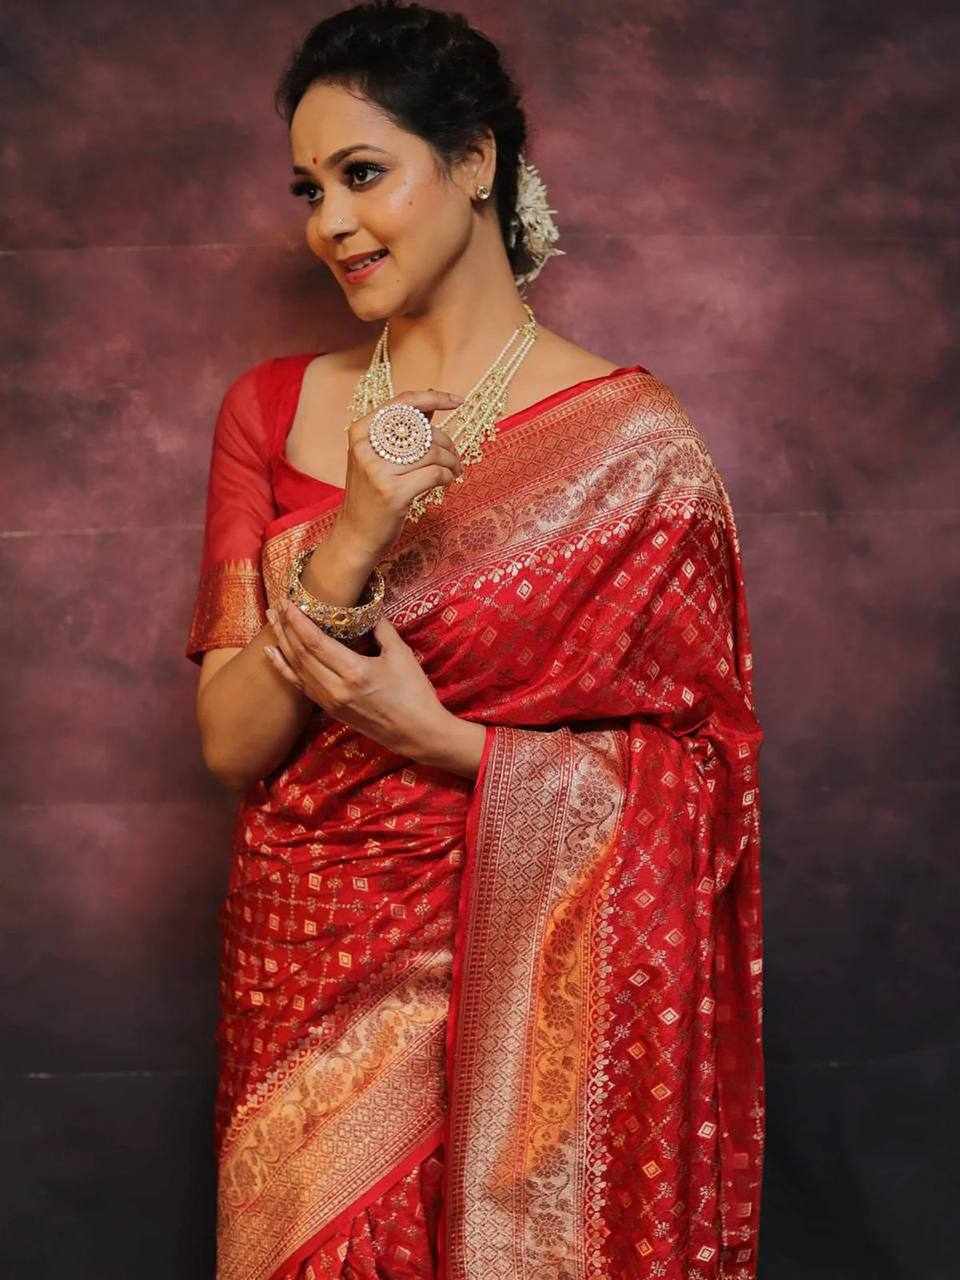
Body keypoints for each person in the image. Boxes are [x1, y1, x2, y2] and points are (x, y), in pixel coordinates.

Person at [184, 3, 766, 1277]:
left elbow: (705, 775)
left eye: (362, 173)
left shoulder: (636, 446)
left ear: (475, 160)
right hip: (309, 971)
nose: (330, 223)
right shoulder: (272, 408)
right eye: (309, 189)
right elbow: (232, 740)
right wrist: (356, 531)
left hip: (542, 982)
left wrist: (446, 742)